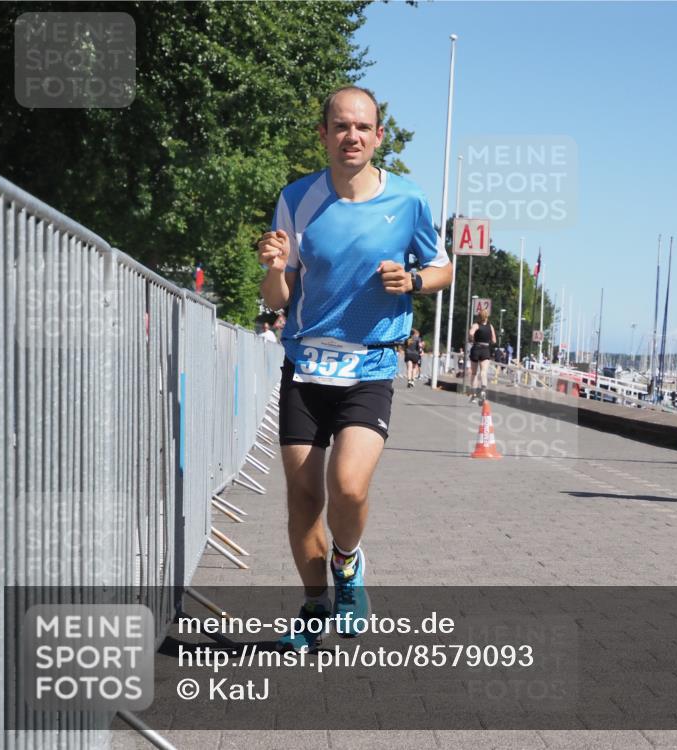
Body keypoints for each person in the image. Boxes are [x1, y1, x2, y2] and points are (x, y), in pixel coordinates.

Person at [256, 85, 452, 649]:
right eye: (341, 126)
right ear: (324, 134)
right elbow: (277, 298)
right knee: (302, 500)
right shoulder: (297, 198)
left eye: (363, 127)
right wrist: (272, 268)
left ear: (378, 136)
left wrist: (413, 280)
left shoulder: (408, 199)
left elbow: (441, 269)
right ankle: (315, 604)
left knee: (347, 488)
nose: (352, 136)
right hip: (306, 363)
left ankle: (348, 562)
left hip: (369, 364)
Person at [468, 310, 497, 404]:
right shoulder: (490, 326)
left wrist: (472, 339)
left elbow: (471, 333)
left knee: (474, 373)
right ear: (487, 317)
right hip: (485, 349)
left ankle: (474, 395)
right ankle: (483, 390)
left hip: (476, 348)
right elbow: (494, 340)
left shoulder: (476, 325)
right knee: (483, 372)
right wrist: (488, 340)